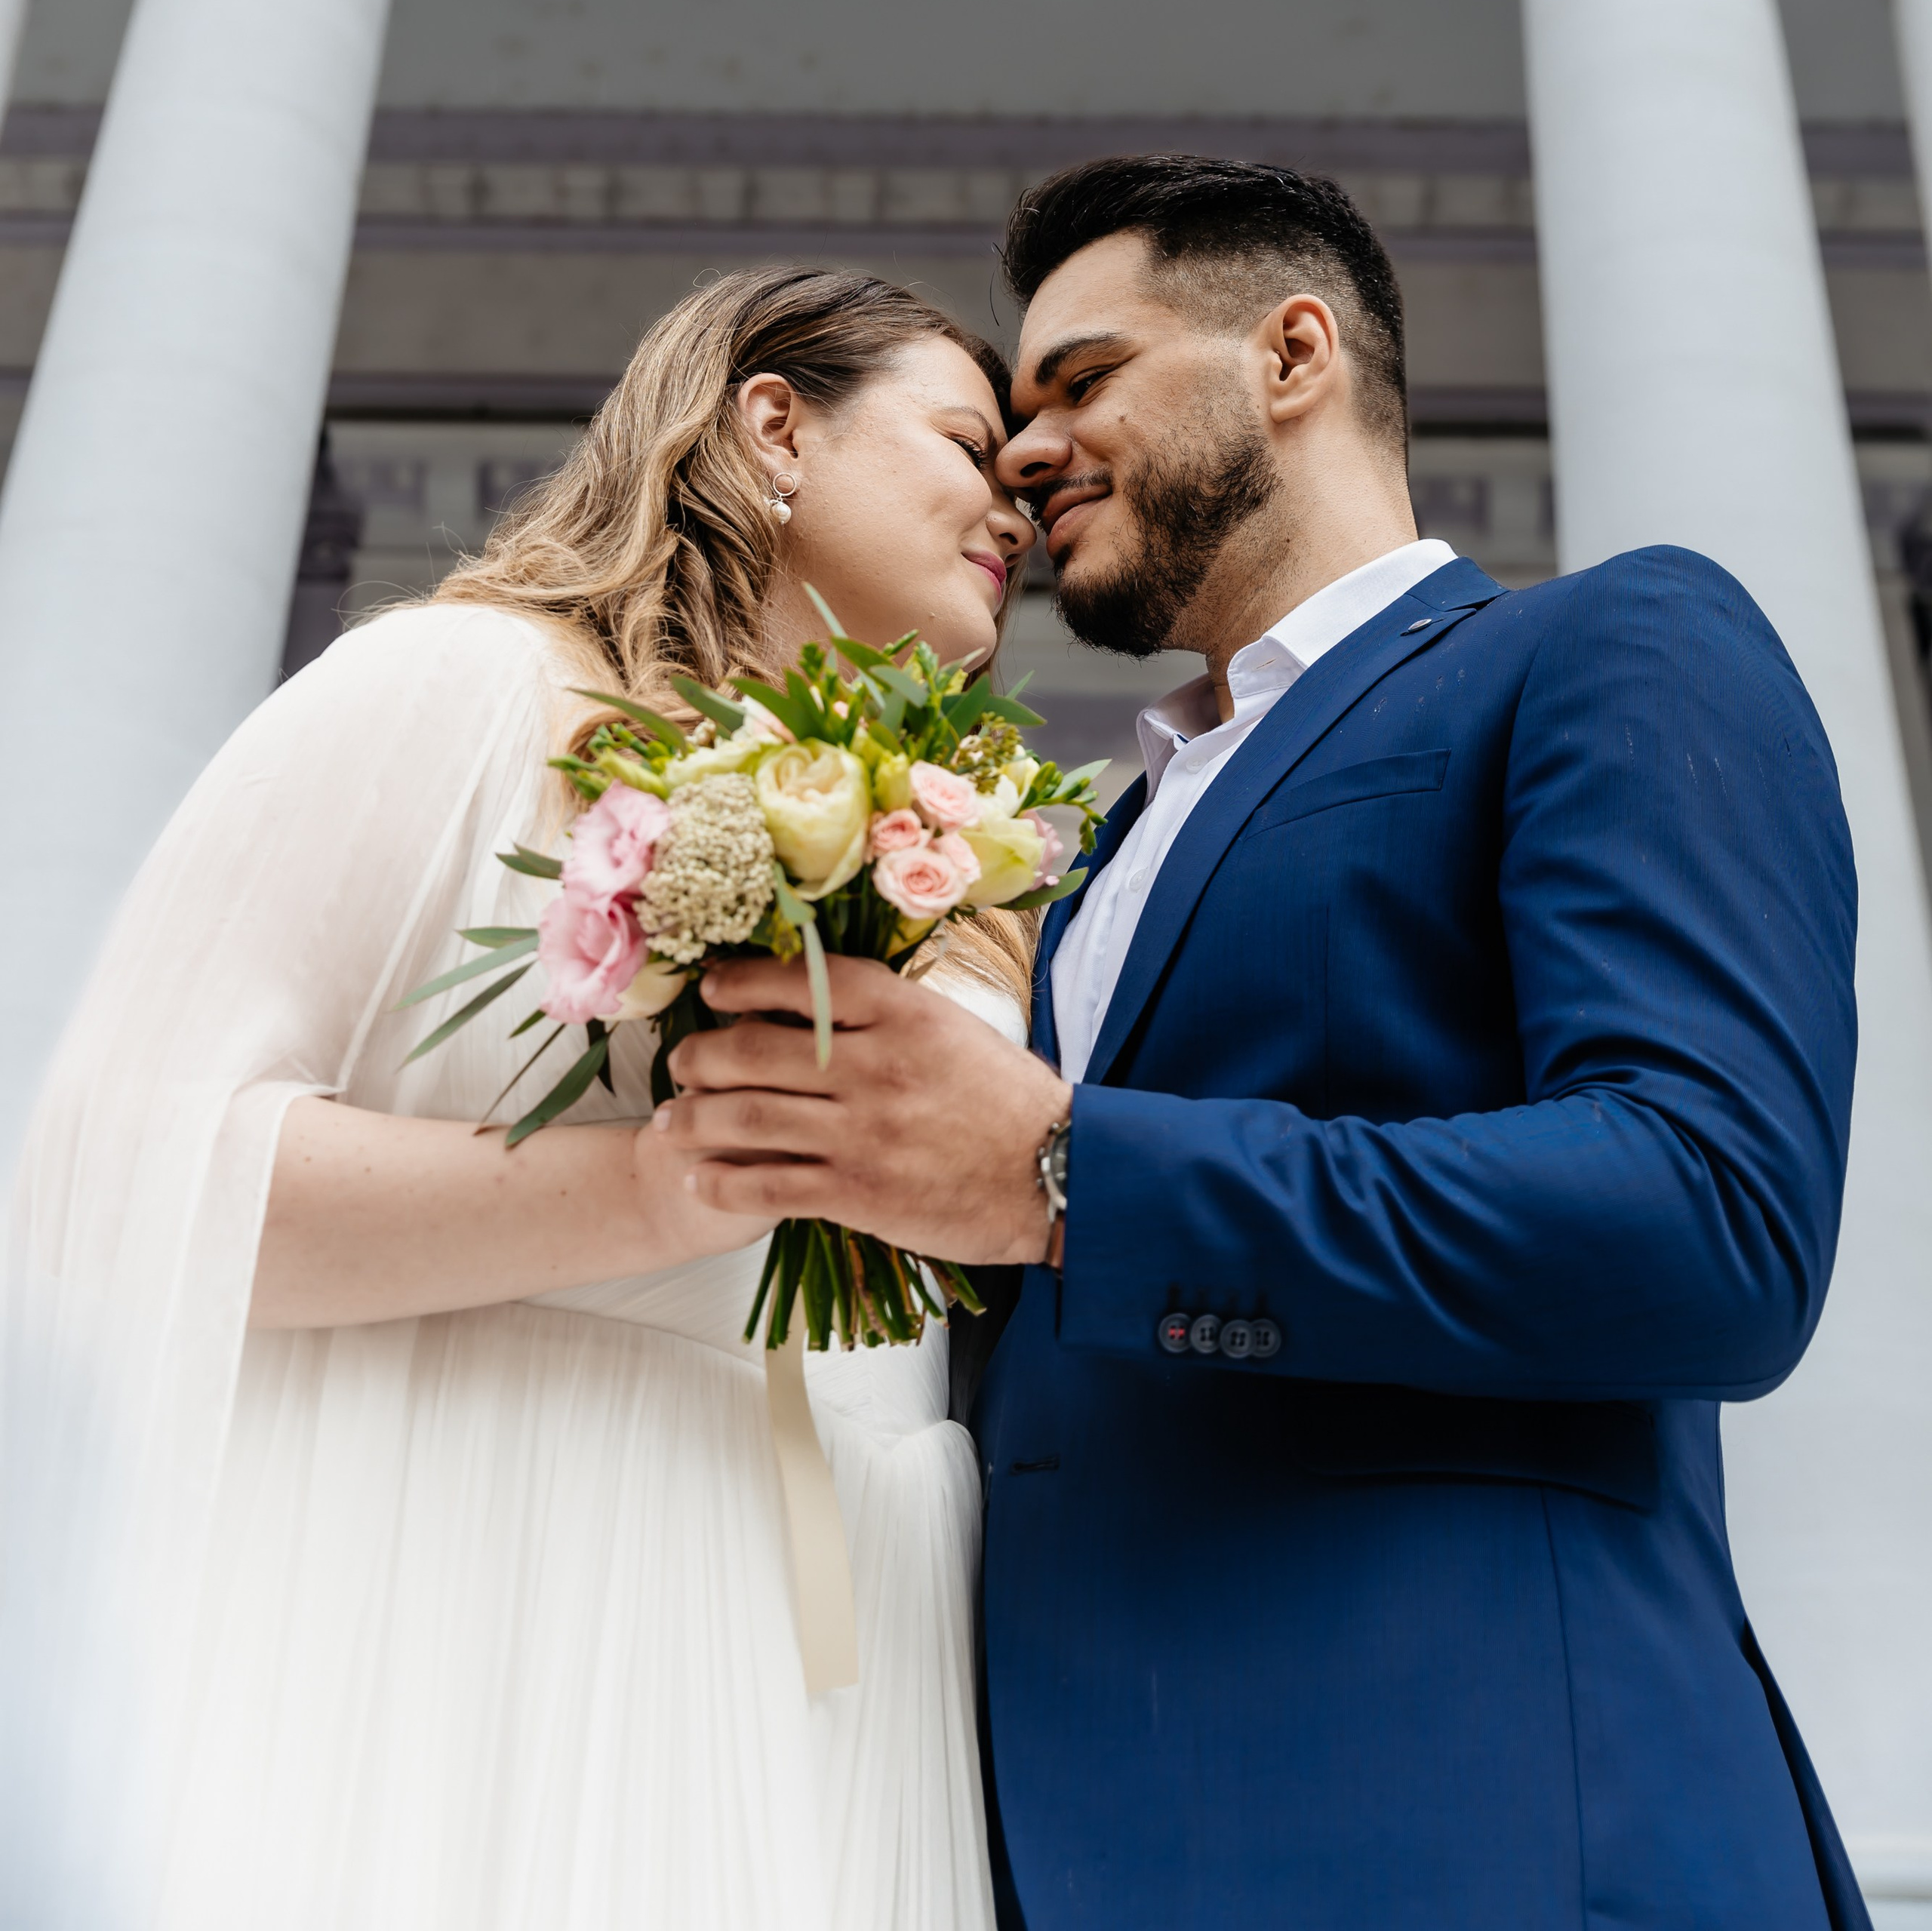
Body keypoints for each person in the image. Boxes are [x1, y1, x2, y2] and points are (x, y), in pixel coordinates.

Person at [665, 155, 1872, 1931]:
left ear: (1291, 353)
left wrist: (1065, 1172)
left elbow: (1708, 1220)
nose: (1019, 448)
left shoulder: (1602, 646)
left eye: (1080, 379)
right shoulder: (1069, 874)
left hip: (1492, 1838)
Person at [4, 266, 1035, 1931]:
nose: (1020, 503)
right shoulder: (459, 686)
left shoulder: (973, 874)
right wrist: (647, 1190)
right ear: (772, 421)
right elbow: (112, 1172)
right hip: (466, 1579)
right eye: (966, 439)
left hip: (825, 1630)